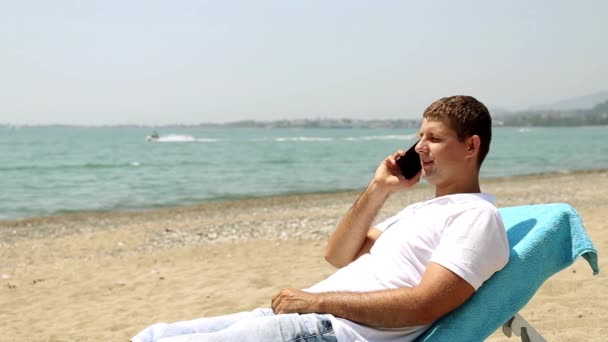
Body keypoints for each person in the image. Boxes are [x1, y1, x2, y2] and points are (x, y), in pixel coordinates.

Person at [131, 95, 510, 342]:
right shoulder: (419, 212)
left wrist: (317, 302)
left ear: (471, 146)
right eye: (419, 137)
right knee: (154, 335)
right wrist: (379, 188)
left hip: (327, 330)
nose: (419, 148)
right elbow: (339, 254)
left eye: (435, 138)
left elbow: (426, 304)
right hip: (301, 317)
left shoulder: (476, 215)